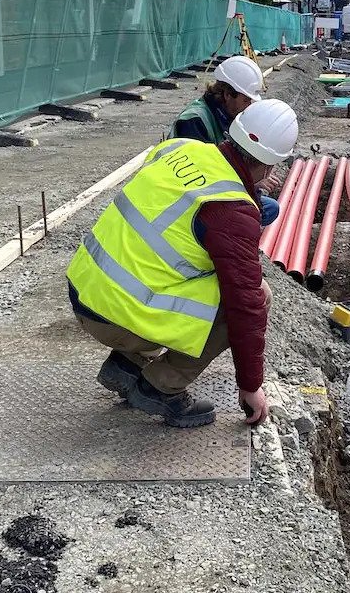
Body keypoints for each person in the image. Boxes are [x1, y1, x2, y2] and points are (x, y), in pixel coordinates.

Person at [67, 99, 299, 428]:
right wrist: (250, 386)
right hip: (112, 314)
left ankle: (127, 365)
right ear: (270, 165)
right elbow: (246, 306)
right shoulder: (231, 211)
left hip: (86, 285)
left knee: (185, 269)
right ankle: (161, 386)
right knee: (256, 296)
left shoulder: (182, 148)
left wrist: (248, 191)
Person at [172, 56, 280, 227]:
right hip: (189, 201)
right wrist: (250, 181)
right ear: (227, 94)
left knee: (269, 208)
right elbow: (198, 180)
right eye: (246, 100)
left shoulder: (228, 115)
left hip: (215, 190)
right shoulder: (194, 121)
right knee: (255, 211)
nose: (249, 105)